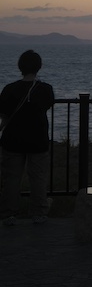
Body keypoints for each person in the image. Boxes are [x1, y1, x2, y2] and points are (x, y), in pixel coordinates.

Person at [1, 50, 56, 225]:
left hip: (12, 140)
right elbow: (47, 106)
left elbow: (4, 115)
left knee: (11, 178)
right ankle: (39, 212)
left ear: (20, 67)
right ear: (38, 67)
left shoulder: (9, 89)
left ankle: (9, 214)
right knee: (38, 177)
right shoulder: (45, 90)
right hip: (38, 140)